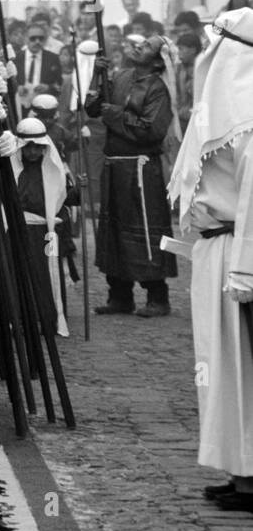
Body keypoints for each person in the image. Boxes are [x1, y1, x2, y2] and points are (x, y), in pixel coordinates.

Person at [168, 6, 253, 511]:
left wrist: (245, 270)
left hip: (237, 257)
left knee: (242, 370)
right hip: (215, 250)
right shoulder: (225, 119)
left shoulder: (247, 124)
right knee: (220, 371)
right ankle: (239, 471)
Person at [85, 34, 178, 316]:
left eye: (147, 45)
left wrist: (114, 114)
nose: (139, 46)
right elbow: (91, 108)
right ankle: (120, 296)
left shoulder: (157, 89)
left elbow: (151, 130)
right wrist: (96, 77)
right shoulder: (121, 76)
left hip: (141, 171)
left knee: (145, 230)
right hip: (114, 168)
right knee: (113, 231)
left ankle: (157, 297)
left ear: (158, 60)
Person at [12, 117, 74, 337]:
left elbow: (64, 198)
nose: (33, 153)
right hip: (19, 231)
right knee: (23, 277)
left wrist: (78, 189)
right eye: (28, 148)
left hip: (45, 233)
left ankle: (48, 319)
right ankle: (23, 320)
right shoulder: (11, 170)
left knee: (46, 277)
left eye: (38, 148)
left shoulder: (53, 169)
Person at [14, 20, 62, 109]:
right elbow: (9, 83)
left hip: (45, 105)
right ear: (25, 38)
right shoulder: (16, 58)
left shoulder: (53, 58)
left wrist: (48, 87)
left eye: (41, 38)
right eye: (33, 38)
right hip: (20, 105)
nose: (37, 41)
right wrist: (17, 88)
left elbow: (60, 84)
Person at [175, 32, 201, 132]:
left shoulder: (202, 69)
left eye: (181, 49)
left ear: (193, 50)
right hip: (182, 119)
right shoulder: (178, 69)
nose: (178, 53)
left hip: (198, 120)